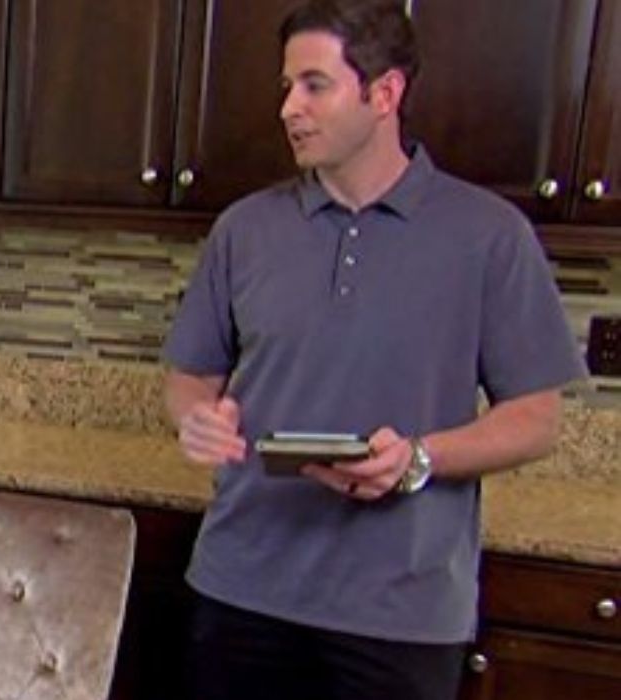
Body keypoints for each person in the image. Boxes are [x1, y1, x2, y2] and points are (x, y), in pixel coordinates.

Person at [161, 1, 587, 699]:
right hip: (242, 588)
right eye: (287, 86)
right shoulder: (245, 230)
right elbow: (189, 378)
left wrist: (419, 458)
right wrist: (196, 417)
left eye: (314, 85)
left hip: (401, 613)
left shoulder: (490, 236)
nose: (289, 108)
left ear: (384, 93)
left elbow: (536, 419)